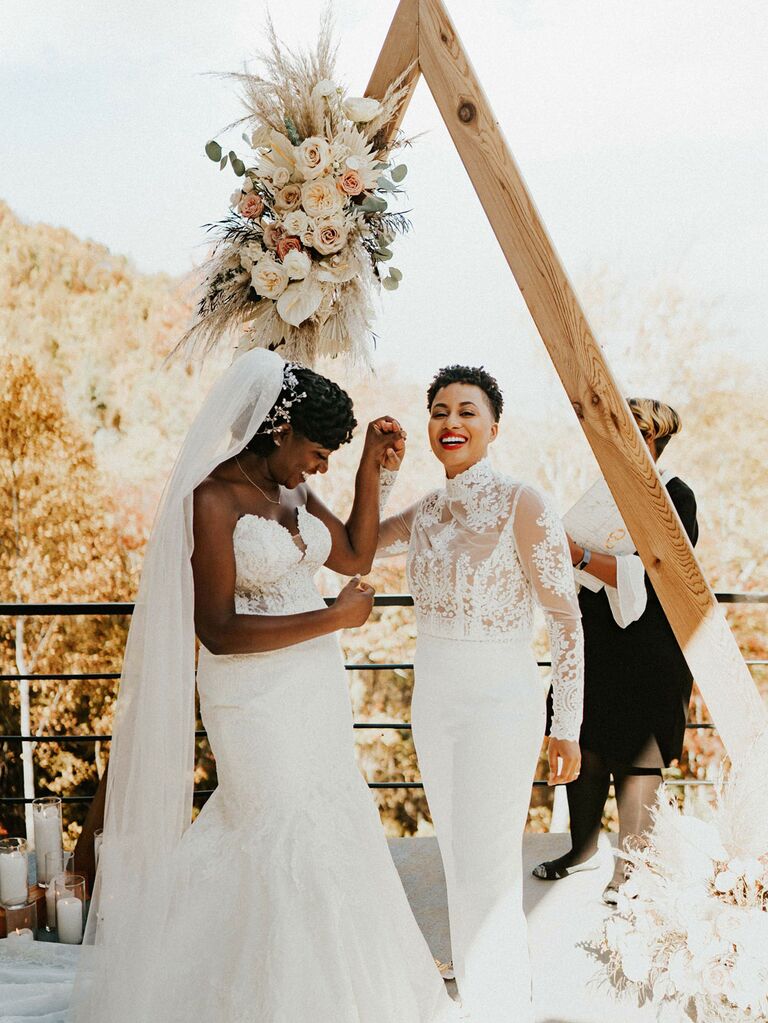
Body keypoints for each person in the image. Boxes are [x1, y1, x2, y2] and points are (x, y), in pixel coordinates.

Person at [71, 349, 459, 1023]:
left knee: (331, 823)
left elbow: (354, 554)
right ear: (280, 430)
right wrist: (335, 616)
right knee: (275, 829)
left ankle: (338, 996)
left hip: (313, 691)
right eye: (318, 451)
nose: (321, 467)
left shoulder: (294, 490)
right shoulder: (212, 498)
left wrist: (372, 465)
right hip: (251, 696)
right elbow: (217, 628)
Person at [377, 365, 584, 1023]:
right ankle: (477, 992)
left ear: (494, 427)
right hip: (434, 699)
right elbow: (353, 553)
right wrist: (378, 473)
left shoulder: (524, 503)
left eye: (468, 410)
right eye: (439, 410)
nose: (451, 422)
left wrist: (567, 723)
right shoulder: (426, 511)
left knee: (491, 862)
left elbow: (566, 620)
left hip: (501, 699)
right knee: (457, 856)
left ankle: (501, 1006)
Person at [532, 398, 698, 905]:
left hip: (649, 646)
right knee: (583, 734)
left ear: (651, 439)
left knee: (636, 752)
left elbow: (658, 573)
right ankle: (580, 848)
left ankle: (633, 865)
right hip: (593, 636)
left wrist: (578, 553)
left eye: (624, 434)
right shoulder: (600, 492)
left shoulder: (675, 495)